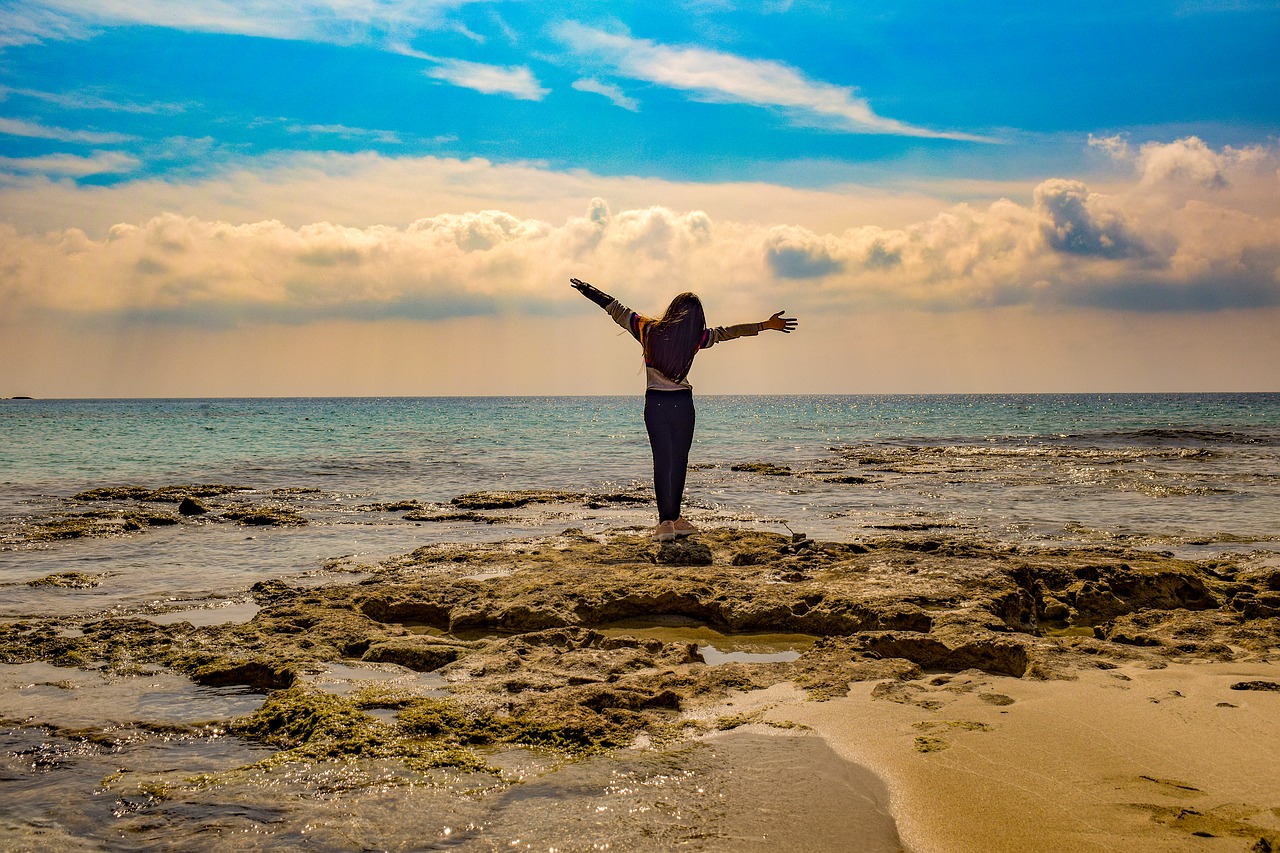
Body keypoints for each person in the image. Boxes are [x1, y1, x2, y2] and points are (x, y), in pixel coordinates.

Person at [570, 278, 798, 542]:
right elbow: (729, 332)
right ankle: (673, 518)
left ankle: (667, 521)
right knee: (678, 462)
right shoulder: (695, 338)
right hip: (682, 405)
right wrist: (765, 325)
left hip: (656, 404)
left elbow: (615, 308)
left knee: (662, 462)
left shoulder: (647, 329)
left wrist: (589, 291)